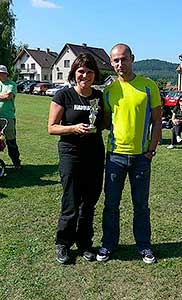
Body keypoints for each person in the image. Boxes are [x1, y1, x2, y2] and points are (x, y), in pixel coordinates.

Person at [96, 43, 162, 264]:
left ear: (132, 58)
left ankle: (143, 246)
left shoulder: (148, 86)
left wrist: (151, 150)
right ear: (111, 63)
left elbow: (157, 121)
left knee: (141, 205)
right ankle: (108, 244)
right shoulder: (108, 90)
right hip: (114, 156)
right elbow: (105, 122)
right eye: (115, 60)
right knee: (111, 204)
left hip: (141, 158)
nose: (119, 63)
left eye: (123, 59)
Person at [48, 54, 105, 264]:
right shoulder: (64, 95)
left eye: (90, 71)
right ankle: (63, 244)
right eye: (81, 71)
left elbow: (104, 123)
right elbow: (51, 128)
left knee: (89, 203)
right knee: (71, 201)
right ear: (74, 73)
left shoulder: (99, 96)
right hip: (70, 153)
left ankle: (85, 244)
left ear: (94, 74)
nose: (85, 75)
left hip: (95, 154)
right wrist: (73, 128)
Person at [0, 65, 21, 169]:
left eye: (2, 73)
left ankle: (16, 162)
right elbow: (3, 96)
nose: (0, 75)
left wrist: (4, 96)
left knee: (11, 141)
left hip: (8, 118)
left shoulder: (11, 84)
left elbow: (8, 96)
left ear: (6, 73)